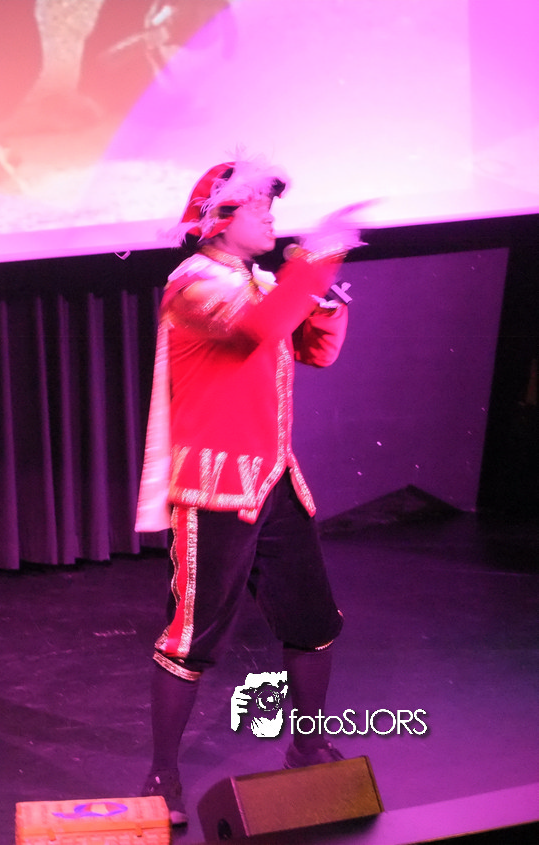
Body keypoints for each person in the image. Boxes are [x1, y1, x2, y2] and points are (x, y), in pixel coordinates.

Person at [135, 157, 359, 825]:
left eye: (270, 207)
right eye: (258, 208)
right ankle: (161, 776)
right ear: (220, 220)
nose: (271, 219)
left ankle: (307, 746)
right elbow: (258, 329)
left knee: (313, 621)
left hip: (276, 479)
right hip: (215, 487)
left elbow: (318, 350)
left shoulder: (261, 284)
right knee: (194, 635)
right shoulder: (193, 285)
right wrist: (315, 262)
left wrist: (321, 294)